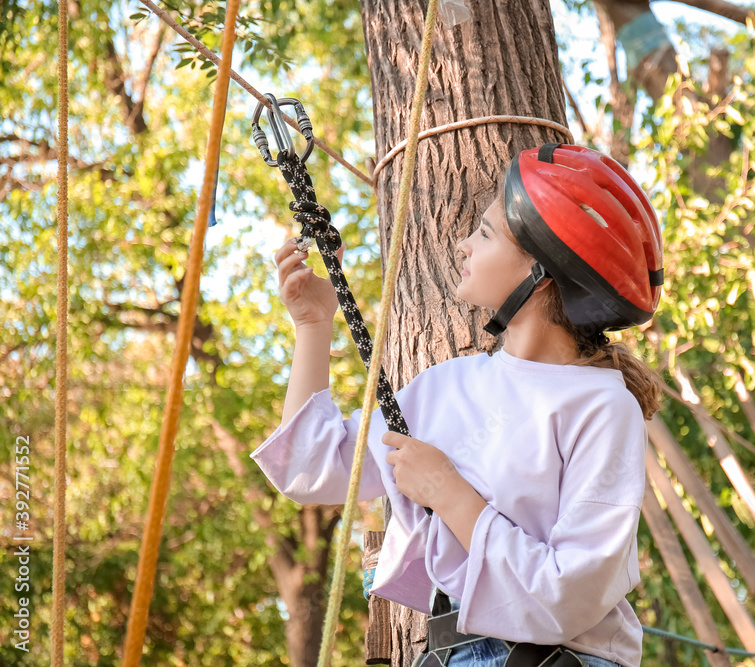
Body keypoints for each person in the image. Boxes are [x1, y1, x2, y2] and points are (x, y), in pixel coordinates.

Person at [250, 143, 665, 667]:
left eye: (485, 234)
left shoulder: (603, 408)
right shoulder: (446, 386)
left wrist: (449, 491)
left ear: (542, 273)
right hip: (450, 653)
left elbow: (570, 595)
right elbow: (312, 467)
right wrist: (313, 325)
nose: (463, 246)